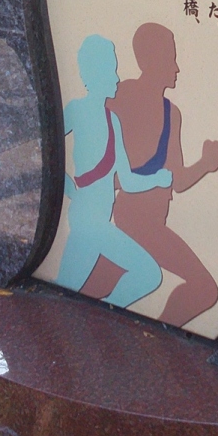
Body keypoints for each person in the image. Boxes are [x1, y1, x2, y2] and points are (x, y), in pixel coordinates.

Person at [104, 22, 218, 328]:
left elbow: (177, 180)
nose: (177, 68)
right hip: (132, 219)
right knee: (204, 288)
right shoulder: (122, 95)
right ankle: (156, 338)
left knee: (98, 286)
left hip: (152, 221)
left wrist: (206, 163)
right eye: (170, 58)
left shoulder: (172, 113)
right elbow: (103, 157)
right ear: (149, 60)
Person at [55, 34, 171, 306]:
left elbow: (127, 181)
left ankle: (97, 318)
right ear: (94, 73)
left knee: (64, 291)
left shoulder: (112, 120)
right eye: (111, 70)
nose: (117, 78)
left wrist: (157, 179)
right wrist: (66, 185)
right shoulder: (77, 110)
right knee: (146, 273)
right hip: (87, 221)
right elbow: (43, 149)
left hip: (98, 222)